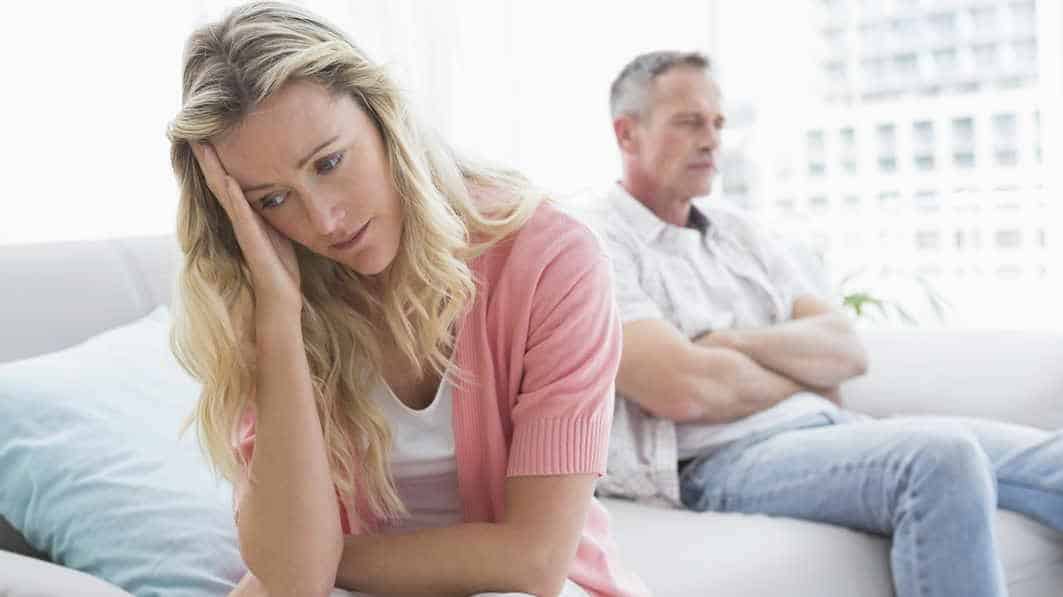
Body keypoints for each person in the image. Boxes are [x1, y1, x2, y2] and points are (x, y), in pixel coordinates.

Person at [165, 3, 648, 596]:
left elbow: (536, 559)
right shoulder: (268, 300)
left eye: (329, 162)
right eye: (272, 199)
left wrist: (321, 561)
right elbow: (293, 582)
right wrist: (280, 318)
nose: (323, 218)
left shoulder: (551, 261)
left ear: (383, 116)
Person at [588, 50, 1063, 597]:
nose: (712, 139)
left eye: (718, 122)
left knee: (1053, 458)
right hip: (717, 461)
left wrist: (728, 345)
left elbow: (844, 349)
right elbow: (682, 390)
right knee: (939, 458)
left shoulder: (741, 233)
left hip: (824, 429)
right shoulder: (597, 240)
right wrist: (799, 372)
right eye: (689, 121)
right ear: (627, 134)